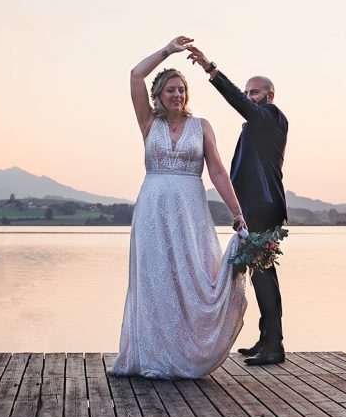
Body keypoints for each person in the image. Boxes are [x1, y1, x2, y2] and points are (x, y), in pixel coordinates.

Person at [109, 36, 249, 379]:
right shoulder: (148, 124)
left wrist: (236, 212)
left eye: (181, 90)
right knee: (157, 281)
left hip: (190, 214)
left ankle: (187, 353)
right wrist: (168, 50)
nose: (177, 95)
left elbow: (216, 170)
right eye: (170, 90)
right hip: (152, 213)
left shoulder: (201, 127)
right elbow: (134, 75)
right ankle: (154, 356)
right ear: (159, 96)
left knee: (192, 278)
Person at [186, 44, 288, 366]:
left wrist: (211, 70)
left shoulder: (270, 116)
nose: (248, 96)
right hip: (257, 204)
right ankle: (267, 339)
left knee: (264, 274)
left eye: (254, 92)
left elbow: (240, 104)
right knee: (261, 273)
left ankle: (275, 346)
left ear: (269, 96)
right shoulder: (258, 123)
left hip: (263, 204)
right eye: (247, 92)